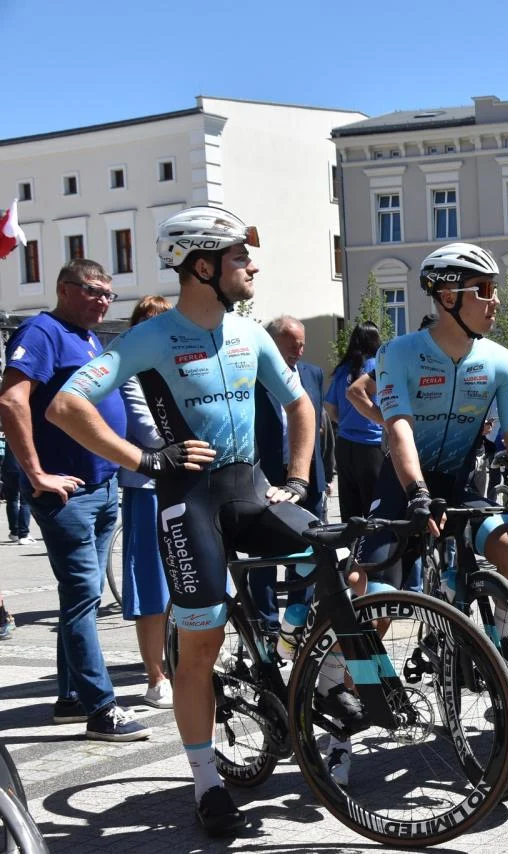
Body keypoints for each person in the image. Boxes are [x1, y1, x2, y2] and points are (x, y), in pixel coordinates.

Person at [48, 206, 318, 836]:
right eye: (238, 257)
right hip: (188, 501)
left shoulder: (250, 334)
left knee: (333, 554)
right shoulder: (152, 337)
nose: (252, 267)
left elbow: (301, 404)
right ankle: (207, 783)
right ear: (202, 267)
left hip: (250, 489)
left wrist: (299, 480)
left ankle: (321, 674)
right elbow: (65, 405)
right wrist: (144, 459)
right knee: (201, 646)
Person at [352, 241, 508, 614]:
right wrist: (417, 493)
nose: (495, 300)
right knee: (371, 597)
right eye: (484, 289)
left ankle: (503, 642)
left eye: (494, 288)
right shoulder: (398, 353)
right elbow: (399, 428)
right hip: (403, 488)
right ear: (448, 297)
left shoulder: (501, 361)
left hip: (459, 487)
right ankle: (337, 651)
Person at [0, 258, 149, 742]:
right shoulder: (41, 332)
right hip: (67, 495)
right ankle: (101, 708)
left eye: (108, 294)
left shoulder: (88, 338)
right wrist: (36, 473)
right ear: (64, 289)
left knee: (79, 596)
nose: (103, 301)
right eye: (93, 291)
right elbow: (11, 400)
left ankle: (70, 697)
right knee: (84, 595)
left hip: (101, 486)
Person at [247, 315, 327, 638]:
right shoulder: (253, 375)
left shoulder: (313, 374)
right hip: (266, 477)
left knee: (307, 550)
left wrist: (324, 473)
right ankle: (265, 626)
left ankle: (297, 624)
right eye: (291, 344)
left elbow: (320, 428)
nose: (298, 350)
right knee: (264, 554)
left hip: (306, 477)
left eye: (302, 344)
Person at [119, 295, 176, 709]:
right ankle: (155, 676)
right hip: (147, 488)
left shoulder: (179, 365)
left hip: (187, 485)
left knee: (194, 582)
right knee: (152, 587)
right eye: (151, 323)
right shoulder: (130, 370)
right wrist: (194, 442)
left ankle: (188, 662)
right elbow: (147, 430)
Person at [324, 322, 384, 521]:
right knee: (374, 512)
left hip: (344, 445)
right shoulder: (378, 367)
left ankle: (352, 542)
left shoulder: (343, 370)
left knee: (350, 513)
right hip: (371, 446)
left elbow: (330, 407)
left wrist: (346, 422)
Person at [1, 443, 32, 544]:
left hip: (8, 468)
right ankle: (24, 534)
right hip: (23, 468)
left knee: (12, 500)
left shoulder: (9, 437)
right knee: (25, 501)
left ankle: (14, 532)